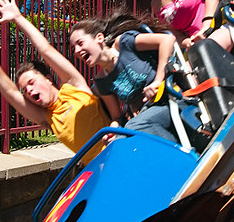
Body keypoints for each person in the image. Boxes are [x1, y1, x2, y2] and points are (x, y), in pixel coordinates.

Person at [0, 0, 110, 161]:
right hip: (98, 170)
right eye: (25, 90)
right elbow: (10, 92)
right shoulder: (47, 118)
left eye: (32, 83)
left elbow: (45, 50)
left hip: (118, 152)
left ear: (48, 78)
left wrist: (18, 18)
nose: (30, 91)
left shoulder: (74, 86)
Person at [69, 10, 182, 143]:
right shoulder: (101, 81)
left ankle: (185, 160)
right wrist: (113, 130)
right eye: (74, 48)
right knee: (119, 142)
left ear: (99, 38)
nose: (77, 51)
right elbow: (116, 117)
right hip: (144, 116)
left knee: (137, 126)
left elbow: (167, 39)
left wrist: (157, 81)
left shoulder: (123, 43)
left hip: (168, 99)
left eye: (80, 43)